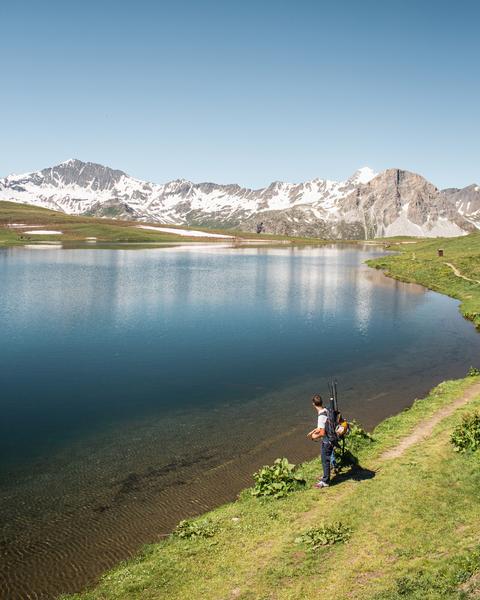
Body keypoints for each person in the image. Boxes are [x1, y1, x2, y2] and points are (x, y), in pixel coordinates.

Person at [306, 394, 335, 488]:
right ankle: (326, 475)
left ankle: (325, 481)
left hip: (327, 441)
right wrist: (314, 430)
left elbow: (322, 433)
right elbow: (323, 426)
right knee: (327, 458)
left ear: (313, 404)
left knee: (324, 460)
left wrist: (314, 436)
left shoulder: (320, 416)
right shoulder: (325, 410)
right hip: (331, 439)